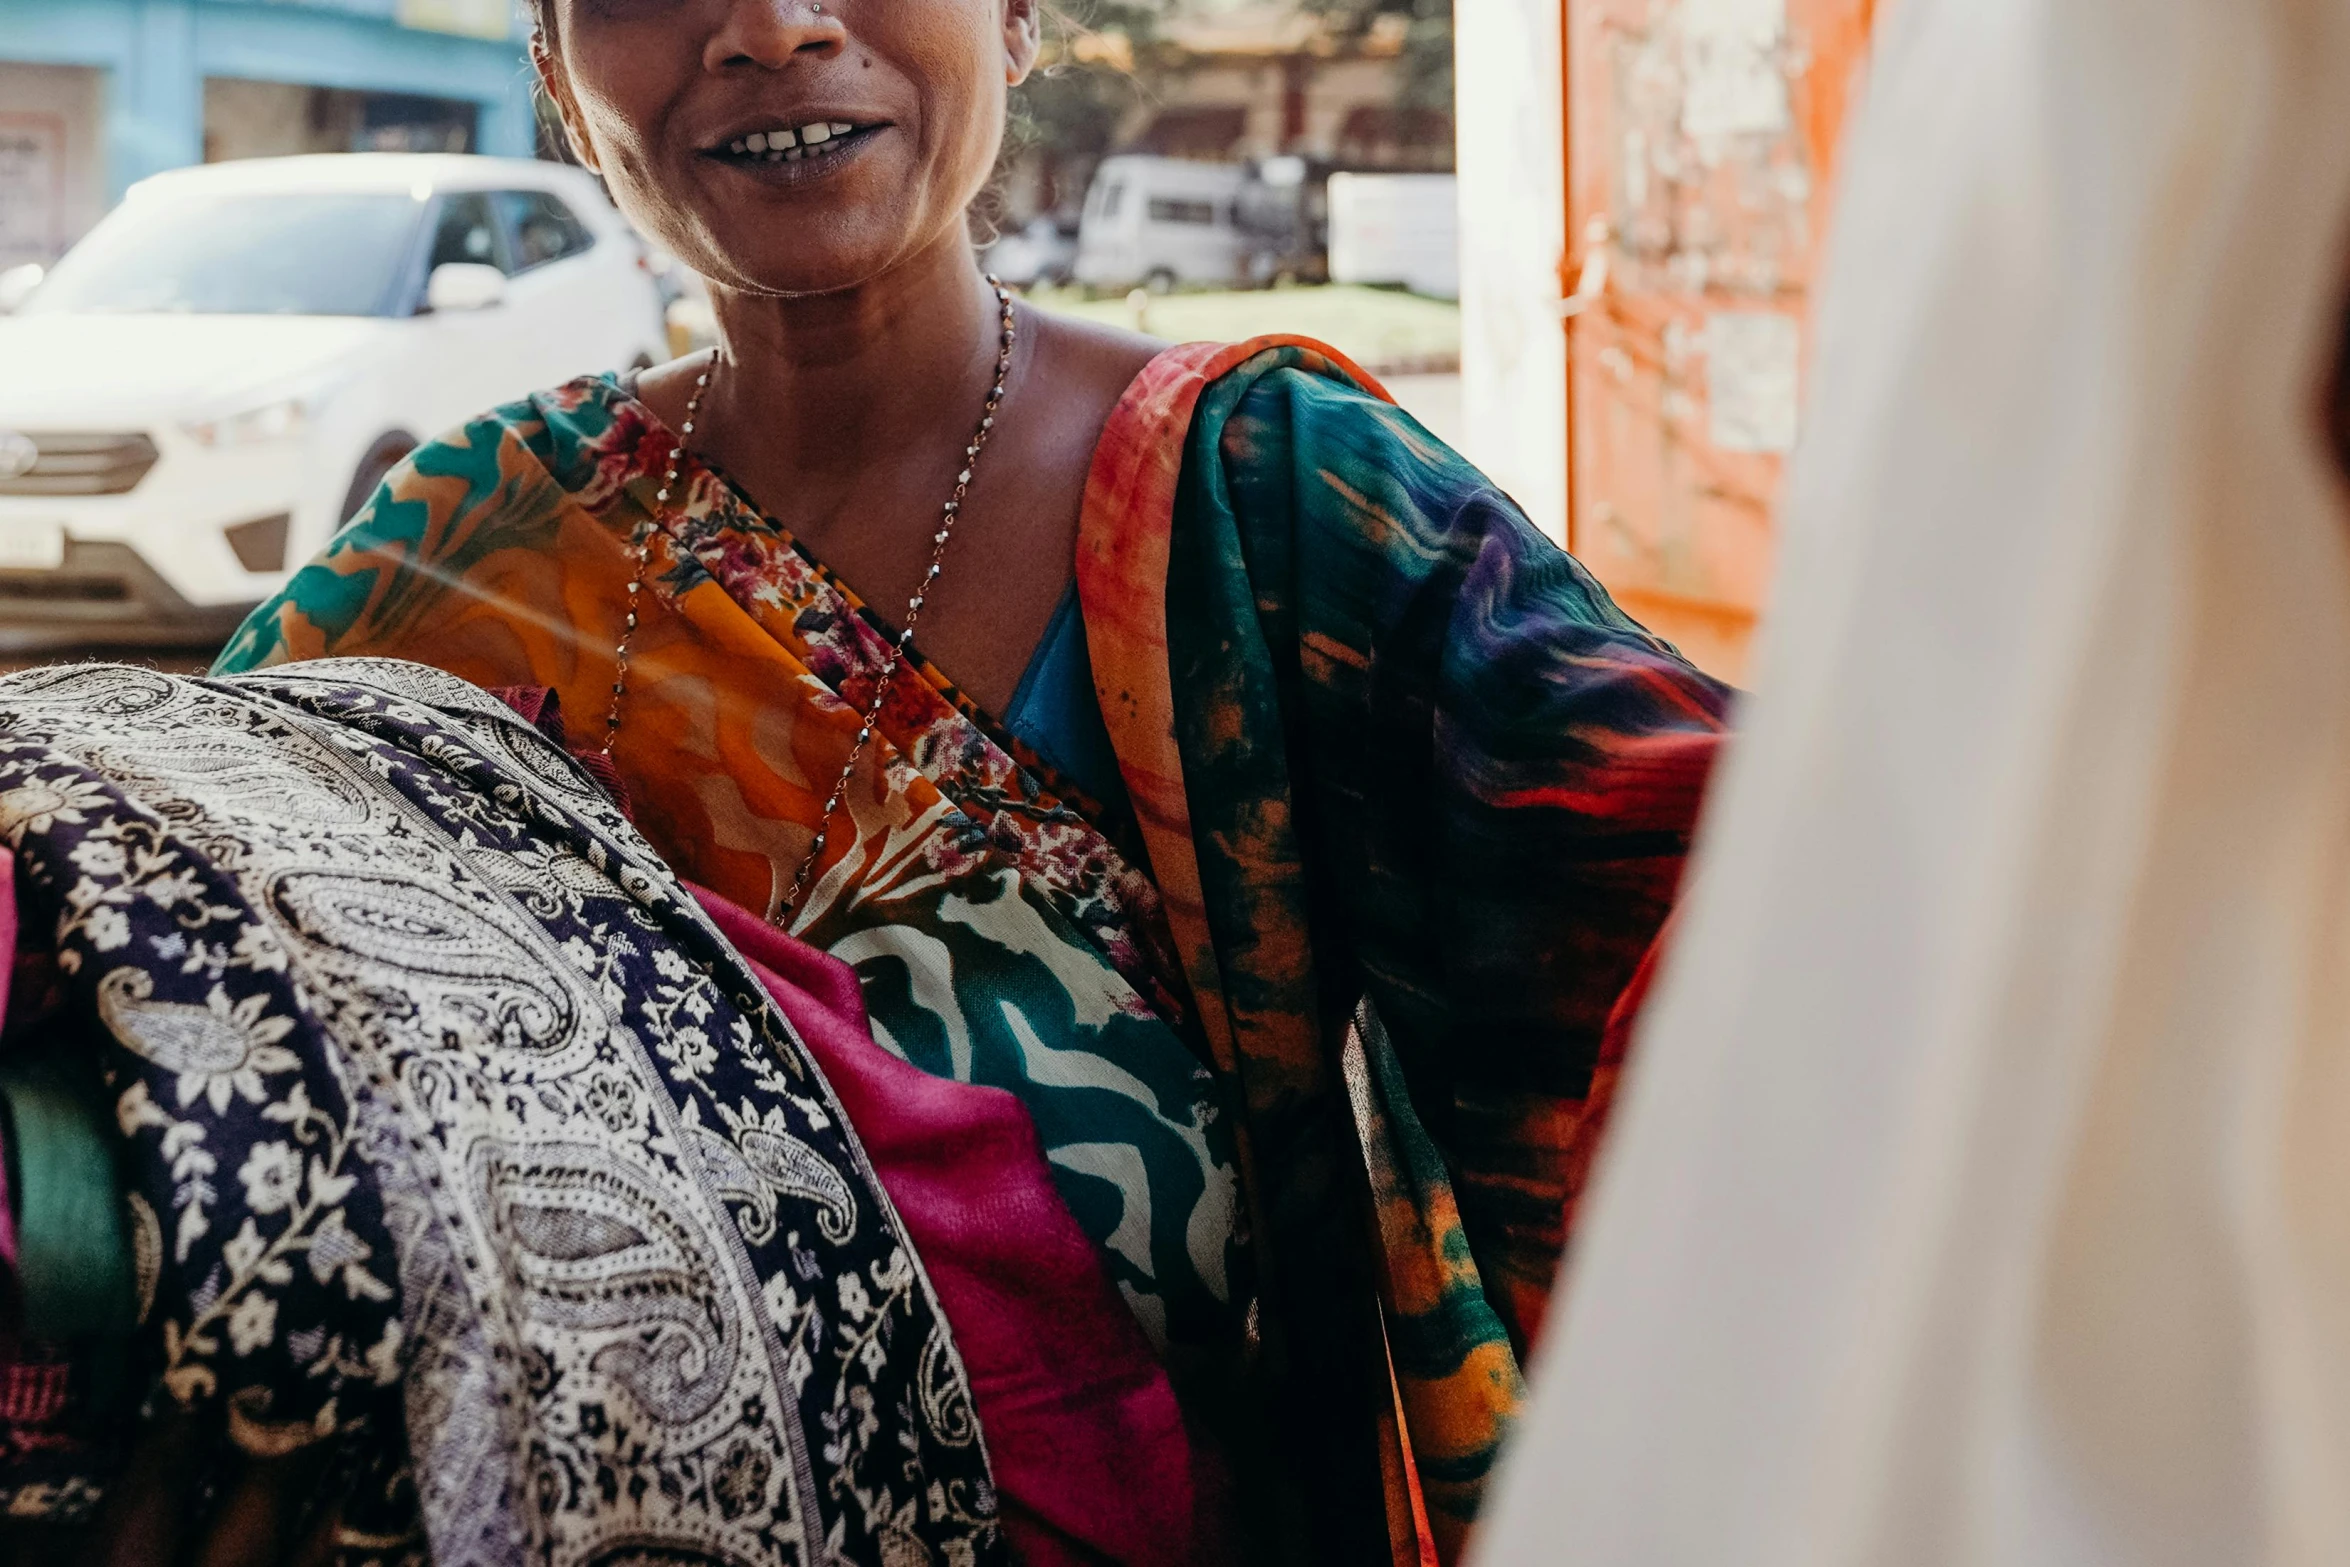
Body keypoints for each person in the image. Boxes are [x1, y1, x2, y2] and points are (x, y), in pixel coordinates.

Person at [202, 0, 1731, 1559]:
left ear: (1013, 22)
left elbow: (1734, 908)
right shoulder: (470, 550)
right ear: (556, 74)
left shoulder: (1272, 500)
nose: (772, 27)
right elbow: (166, 959)